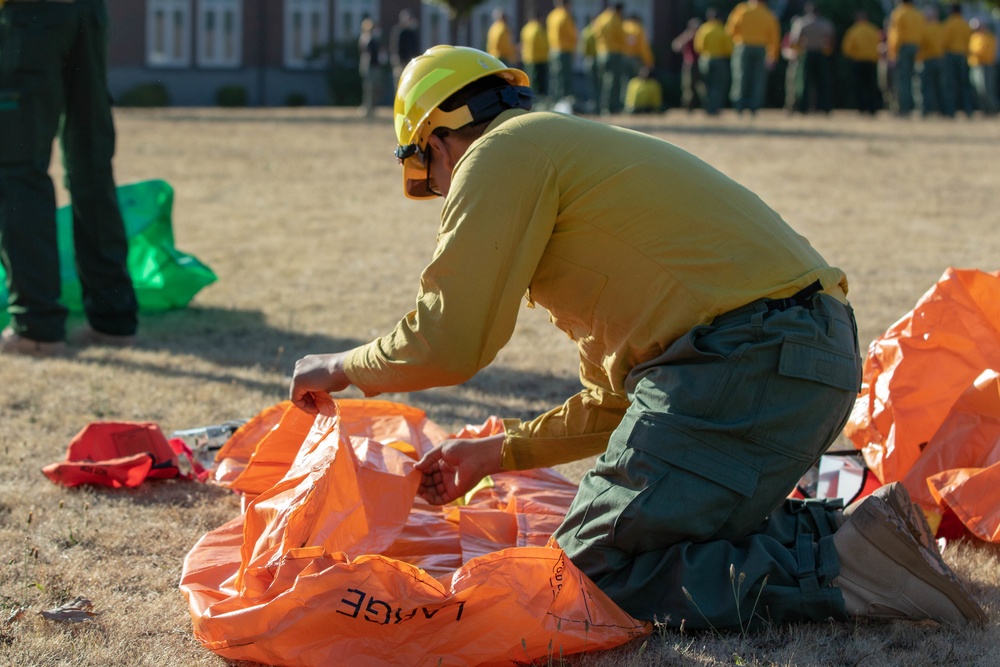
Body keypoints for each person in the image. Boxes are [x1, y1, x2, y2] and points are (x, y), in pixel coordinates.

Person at [290, 44, 986, 632]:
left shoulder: (497, 157)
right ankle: (861, 538)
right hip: (797, 358)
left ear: (438, 141)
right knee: (660, 531)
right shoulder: (574, 164)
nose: (446, 199)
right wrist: (494, 452)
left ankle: (839, 566)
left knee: (595, 570)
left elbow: (450, 339)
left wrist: (342, 367)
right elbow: (619, 403)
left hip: (747, 360)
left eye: (433, 180)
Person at [0, 0, 138, 357]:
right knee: (90, 163)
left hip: (31, 15)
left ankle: (36, 327)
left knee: (18, 169)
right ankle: (112, 319)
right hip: (87, 12)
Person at [725, 0, 780, 116]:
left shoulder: (741, 10)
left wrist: (732, 48)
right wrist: (773, 56)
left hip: (742, 46)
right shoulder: (767, 13)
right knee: (758, 79)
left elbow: (730, 30)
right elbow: (774, 37)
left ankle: (738, 106)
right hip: (761, 48)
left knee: (740, 76)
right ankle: (754, 107)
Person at [788, 3, 835, 115]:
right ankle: (824, 107)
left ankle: (803, 107)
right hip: (820, 53)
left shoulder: (801, 23)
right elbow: (831, 39)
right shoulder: (825, 23)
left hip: (807, 53)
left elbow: (794, 40)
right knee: (823, 81)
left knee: (804, 81)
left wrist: (799, 48)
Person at [886, 0, 926, 117]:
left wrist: (892, 53)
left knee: (902, 80)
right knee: (916, 79)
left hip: (903, 48)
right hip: (917, 47)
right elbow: (923, 33)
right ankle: (919, 107)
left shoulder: (899, 13)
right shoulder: (919, 14)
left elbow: (896, 35)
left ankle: (904, 108)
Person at [841, 10, 883, 115]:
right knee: (871, 86)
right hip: (872, 62)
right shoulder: (873, 30)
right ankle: (873, 108)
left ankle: (861, 107)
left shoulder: (853, 31)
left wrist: (853, 56)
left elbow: (847, 49)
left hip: (858, 62)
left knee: (859, 86)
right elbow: (880, 45)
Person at [693, 9, 733, 116]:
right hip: (719, 60)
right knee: (718, 86)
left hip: (705, 59)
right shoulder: (722, 30)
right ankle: (715, 108)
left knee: (705, 85)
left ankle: (706, 107)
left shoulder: (703, 29)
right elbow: (729, 49)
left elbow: (698, 47)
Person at [592, 2, 627, 115]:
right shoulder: (615, 19)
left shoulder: (600, 18)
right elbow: (622, 36)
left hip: (601, 53)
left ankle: (601, 105)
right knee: (613, 81)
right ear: (618, 10)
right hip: (613, 53)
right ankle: (610, 107)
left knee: (602, 81)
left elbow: (595, 34)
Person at [941, 3, 973, 118]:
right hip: (963, 55)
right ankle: (968, 110)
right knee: (965, 84)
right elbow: (970, 40)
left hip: (951, 55)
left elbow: (944, 41)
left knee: (950, 84)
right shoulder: (965, 24)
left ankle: (951, 111)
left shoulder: (948, 24)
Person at [546, 0, 578, 103]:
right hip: (564, 51)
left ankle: (555, 100)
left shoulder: (551, 16)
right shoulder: (565, 15)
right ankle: (564, 101)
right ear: (567, 4)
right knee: (565, 78)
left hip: (553, 50)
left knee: (555, 78)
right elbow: (572, 35)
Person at [917, 7, 946, 117]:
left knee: (926, 87)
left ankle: (926, 110)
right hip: (940, 60)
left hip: (927, 60)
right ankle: (943, 110)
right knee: (941, 87)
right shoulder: (942, 28)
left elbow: (920, 45)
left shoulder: (924, 29)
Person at [672, 17, 703, 113]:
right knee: (688, 88)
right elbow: (676, 46)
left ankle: (705, 108)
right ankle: (688, 108)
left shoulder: (702, 35)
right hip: (689, 64)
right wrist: (689, 36)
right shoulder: (687, 35)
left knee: (702, 88)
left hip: (701, 64)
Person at [968, 18, 998, 116]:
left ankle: (992, 109)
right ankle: (984, 109)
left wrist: (975, 53)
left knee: (987, 89)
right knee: (978, 90)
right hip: (975, 65)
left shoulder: (989, 37)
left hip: (986, 65)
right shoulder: (974, 37)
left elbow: (985, 52)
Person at [357, 18, 383, 118]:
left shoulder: (375, 39)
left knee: (376, 88)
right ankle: (367, 108)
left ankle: (372, 107)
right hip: (369, 67)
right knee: (368, 89)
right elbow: (365, 53)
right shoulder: (365, 39)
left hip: (375, 66)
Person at [520, 11, 549, 100]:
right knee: (540, 83)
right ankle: (540, 100)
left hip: (527, 59)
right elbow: (544, 44)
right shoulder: (538, 29)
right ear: (540, 18)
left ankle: (531, 99)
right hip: (540, 59)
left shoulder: (526, 29)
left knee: (530, 81)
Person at [389, 9, 420, 88]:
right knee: (400, 83)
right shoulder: (399, 32)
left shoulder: (412, 33)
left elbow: (415, 48)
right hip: (401, 62)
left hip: (411, 62)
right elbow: (397, 48)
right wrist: (400, 62)